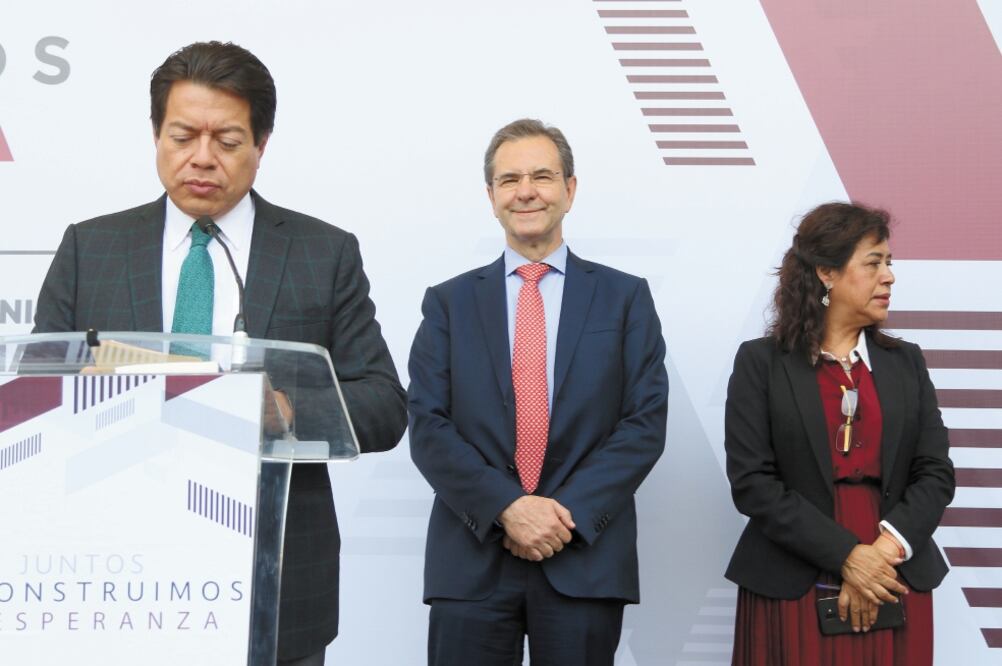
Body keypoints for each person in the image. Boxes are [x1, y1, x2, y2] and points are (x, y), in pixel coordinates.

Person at [31, 41, 407, 666]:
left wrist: (282, 410)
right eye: (183, 136)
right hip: (114, 572)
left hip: (276, 577)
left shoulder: (323, 252)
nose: (202, 158)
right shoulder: (89, 248)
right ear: (156, 135)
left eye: (228, 141)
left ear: (262, 146)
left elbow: (384, 406)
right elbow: (37, 387)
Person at [407, 118, 669, 666]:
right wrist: (507, 509)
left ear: (570, 190)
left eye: (543, 176)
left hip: (583, 559)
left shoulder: (624, 299)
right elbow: (428, 425)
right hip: (473, 557)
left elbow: (643, 424)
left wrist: (559, 517)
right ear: (491, 197)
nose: (526, 190)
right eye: (509, 179)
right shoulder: (449, 303)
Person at [724, 202, 955, 665]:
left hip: (894, 573)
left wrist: (883, 553)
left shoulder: (905, 363)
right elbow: (753, 484)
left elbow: (935, 472)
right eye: (873, 263)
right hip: (794, 574)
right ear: (826, 272)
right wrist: (849, 556)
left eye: (889, 263)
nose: (889, 276)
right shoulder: (761, 363)